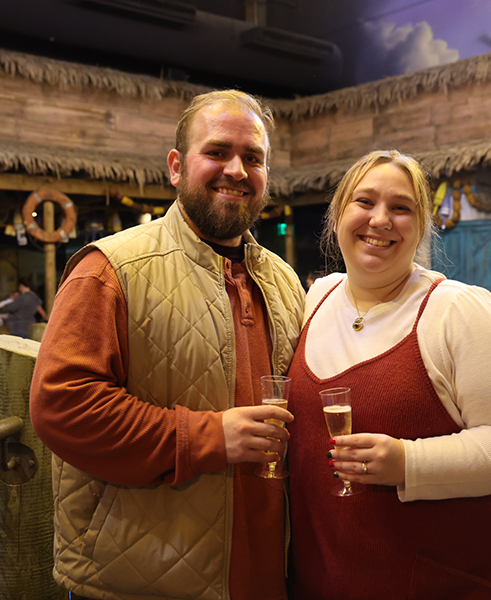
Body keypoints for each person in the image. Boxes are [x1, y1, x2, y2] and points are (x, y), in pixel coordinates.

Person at [30, 90, 305, 600]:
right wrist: (208, 437)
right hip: (143, 578)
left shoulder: (285, 282)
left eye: (253, 157)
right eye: (218, 152)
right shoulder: (111, 269)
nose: (237, 170)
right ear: (177, 167)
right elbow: (61, 406)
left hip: (269, 575)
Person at [286, 150, 491, 600]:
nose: (381, 219)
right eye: (365, 202)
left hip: (444, 578)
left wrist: (409, 462)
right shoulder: (318, 296)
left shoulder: (456, 309)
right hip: (331, 573)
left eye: (401, 208)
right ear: (337, 218)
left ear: (422, 228)